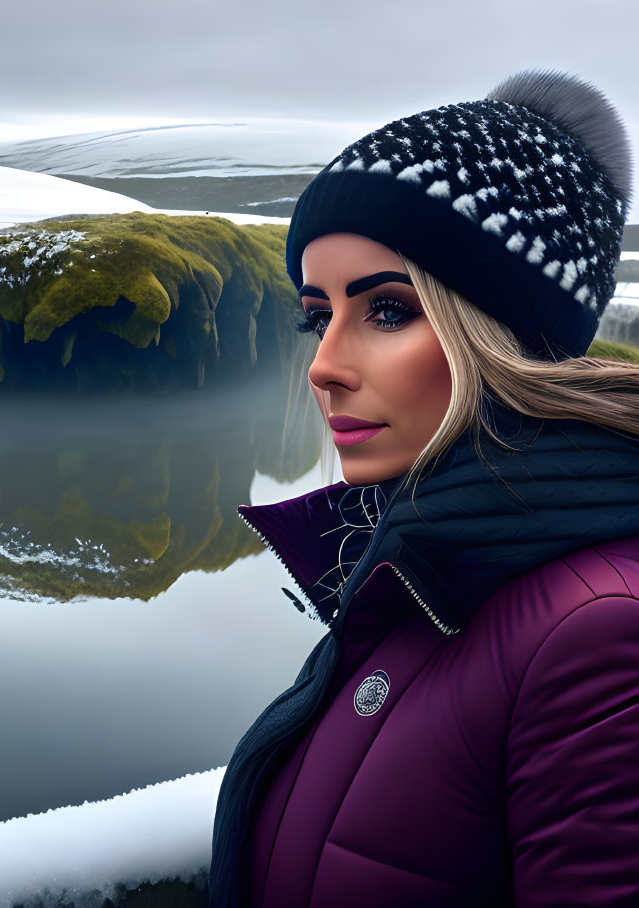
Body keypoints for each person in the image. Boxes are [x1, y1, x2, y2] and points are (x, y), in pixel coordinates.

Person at [209, 69, 639, 907]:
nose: (323, 367)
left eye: (388, 311)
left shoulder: (598, 637)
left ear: (510, 338)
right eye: (316, 315)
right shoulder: (419, 573)